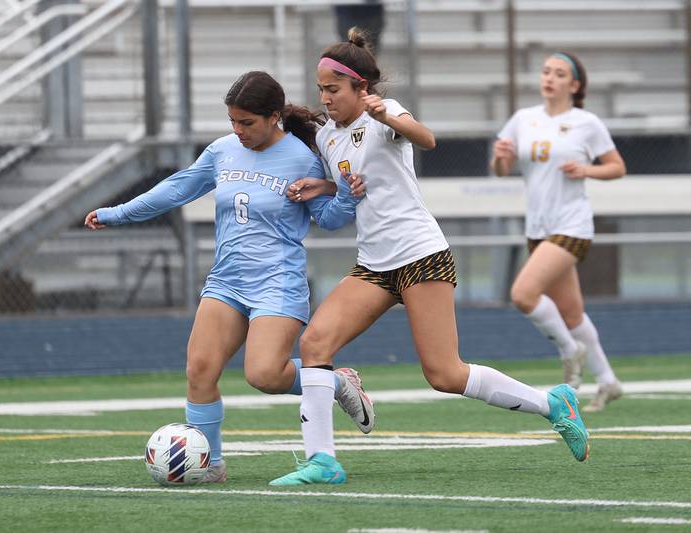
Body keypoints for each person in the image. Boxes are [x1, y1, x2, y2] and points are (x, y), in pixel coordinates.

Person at [269, 30, 590, 487]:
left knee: (444, 374)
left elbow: (427, 139)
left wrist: (392, 118)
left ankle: (552, 403)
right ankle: (322, 461)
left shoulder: (385, 113)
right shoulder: (328, 139)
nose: (325, 97)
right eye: (321, 89)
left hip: (422, 255)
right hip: (374, 265)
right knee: (314, 345)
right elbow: (351, 185)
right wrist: (321, 187)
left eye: (333, 89)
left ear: (363, 89)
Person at [84, 71, 372, 484]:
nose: (238, 131)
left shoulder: (304, 159)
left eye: (247, 123)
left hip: (277, 281)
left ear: (274, 117)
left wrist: (343, 194)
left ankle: (335, 380)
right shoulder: (222, 151)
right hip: (226, 281)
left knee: (265, 375)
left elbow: (327, 220)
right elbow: (176, 189)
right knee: (200, 370)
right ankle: (211, 466)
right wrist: (118, 213)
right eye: (232, 122)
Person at [491, 52, 627, 412]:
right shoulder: (524, 119)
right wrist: (501, 155)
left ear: (575, 85)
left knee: (522, 294)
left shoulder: (586, 122)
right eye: (546, 71)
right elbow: (502, 169)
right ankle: (609, 381)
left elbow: (616, 167)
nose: (549, 78)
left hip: (572, 225)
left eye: (559, 73)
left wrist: (586, 170)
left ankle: (570, 351)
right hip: (538, 227)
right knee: (571, 314)